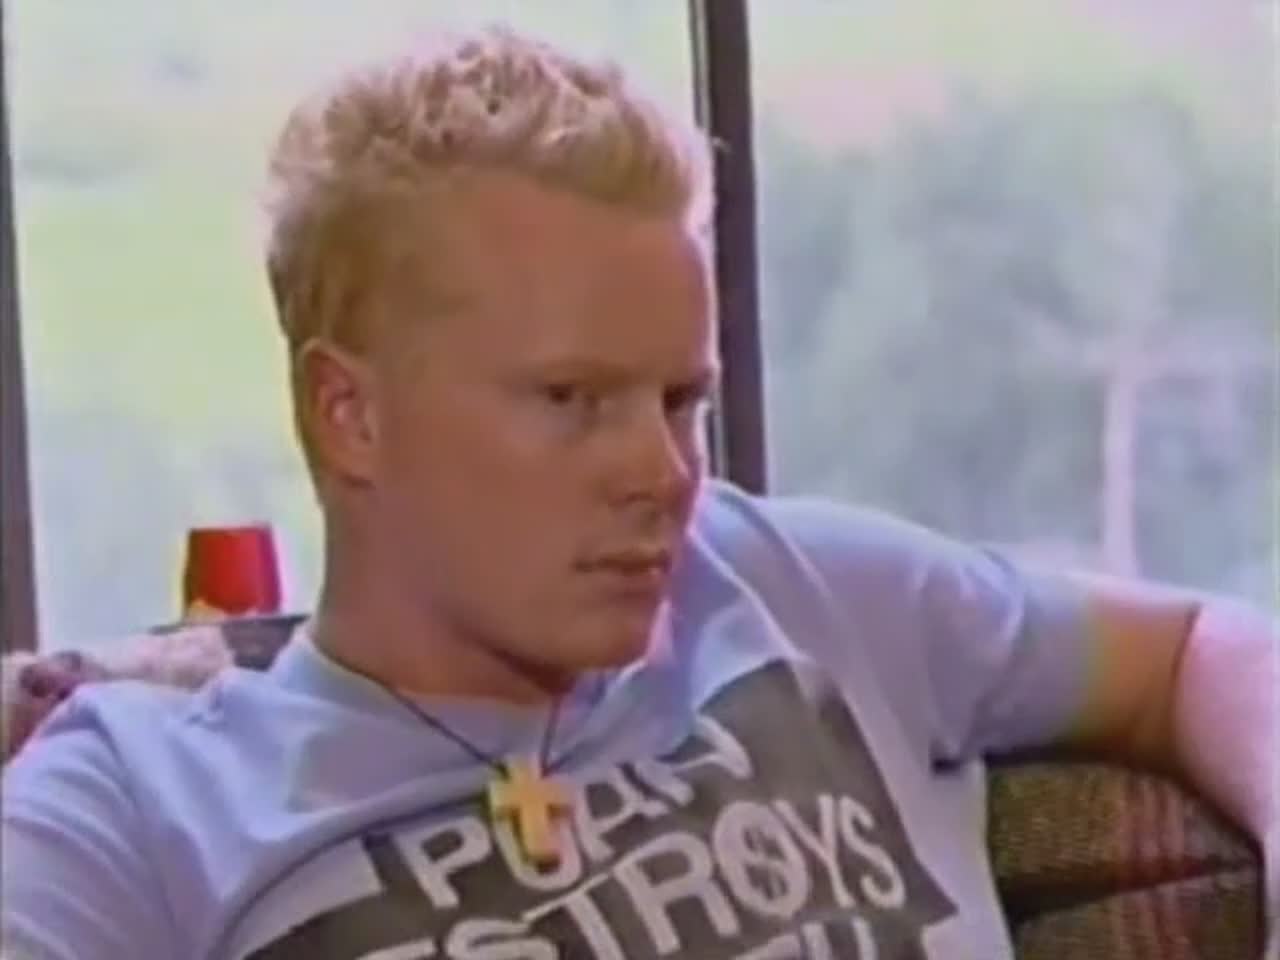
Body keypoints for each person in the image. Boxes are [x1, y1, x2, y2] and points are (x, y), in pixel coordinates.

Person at [3, 24, 1276, 960]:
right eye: (570, 400)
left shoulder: (793, 587)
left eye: (678, 400)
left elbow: (1197, 652)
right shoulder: (134, 809)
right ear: (350, 415)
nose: (662, 473)